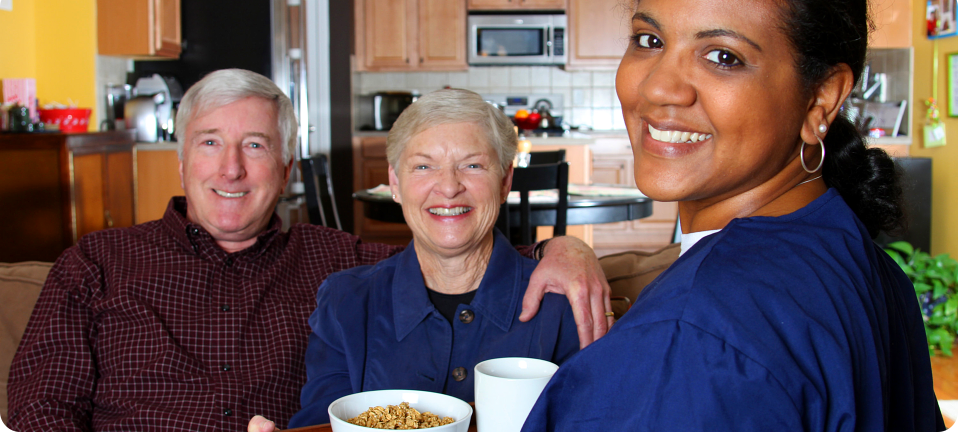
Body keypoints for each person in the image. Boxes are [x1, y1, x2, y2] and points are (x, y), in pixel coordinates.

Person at [6, 69, 611, 431]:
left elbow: (448, 243)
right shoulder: (97, 263)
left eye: (256, 145)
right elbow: (39, 409)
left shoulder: (336, 263)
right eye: (211, 142)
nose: (232, 168)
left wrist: (564, 250)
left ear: (287, 165)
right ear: (182, 159)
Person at [521, 0, 946, 431]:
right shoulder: (859, 257)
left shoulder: (691, 340)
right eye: (650, 40)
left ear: (821, 97)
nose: (657, 88)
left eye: (723, 57)